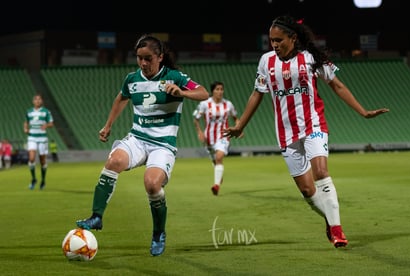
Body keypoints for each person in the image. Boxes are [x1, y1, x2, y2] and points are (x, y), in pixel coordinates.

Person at [223, 15, 389, 248]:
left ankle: (338, 231)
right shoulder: (266, 62)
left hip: (314, 125)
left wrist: (363, 111)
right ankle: (330, 221)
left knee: (321, 171)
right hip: (286, 133)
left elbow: (337, 85)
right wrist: (240, 125)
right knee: (308, 191)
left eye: (279, 40)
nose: (274, 45)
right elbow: (256, 94)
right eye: (271, 41)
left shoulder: (311, 58)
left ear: (293, 38)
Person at [75, 34, 209, 257]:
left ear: (160, 57)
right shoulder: (132, 79)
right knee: (113, 161)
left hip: (162, 145)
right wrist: (108, 126)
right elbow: (121, 99)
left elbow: (203, 92)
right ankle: (96, 216)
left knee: (152, 184)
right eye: (139, 58)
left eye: (148, 58)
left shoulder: (174, 76)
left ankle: (158, 233)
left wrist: (182, 92)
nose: (143, 64)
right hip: (137, 138)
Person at [193, 81, 242, 196]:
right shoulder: (205, 104)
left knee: (219, 157)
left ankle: (216, 186)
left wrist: (239, 128)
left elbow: (235, 118)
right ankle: (218, 174)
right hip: (208, 137)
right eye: (217, 89)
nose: (220, 92)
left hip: (223, 136)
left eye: (221, 89)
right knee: (215, 161)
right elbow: (196, 118)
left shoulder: (228, 104)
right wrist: (199, 132)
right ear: (212, 91)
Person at [24, 94, 54, 190]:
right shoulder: (29, 112)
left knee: (42, 161)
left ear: (42, 101)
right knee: (32, 158)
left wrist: (46, 125)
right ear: (33, 101)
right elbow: (26, 122)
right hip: (32, 137)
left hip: (42, 138)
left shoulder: (46, 112)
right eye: (36, 99)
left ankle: (43, 180)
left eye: (39, 99)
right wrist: (25, 128)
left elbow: (51, 123)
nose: (37, 101)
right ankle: (33, 179)